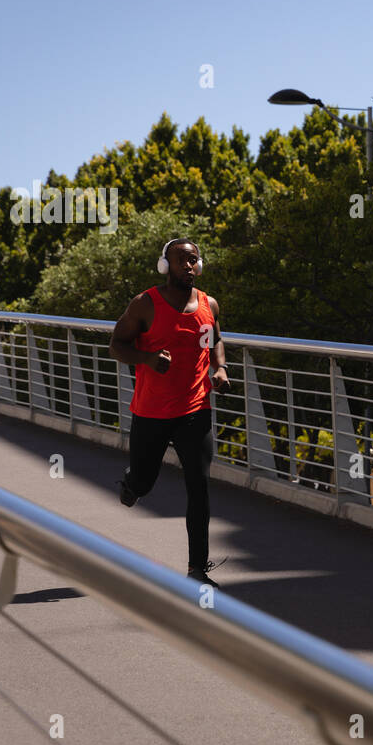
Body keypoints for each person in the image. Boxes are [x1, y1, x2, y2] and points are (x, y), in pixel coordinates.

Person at [109, 238, 232, 587]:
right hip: (151, 411)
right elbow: (116, 345)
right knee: (145, 483)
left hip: (195, 408)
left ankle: (197, 569)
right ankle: (133, 482)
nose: (188, 267)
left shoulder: (209, 304)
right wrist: (146, 358)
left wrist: (220, 369)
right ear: (166, 266)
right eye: (181, 261)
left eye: (193, 260)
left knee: (200, 486)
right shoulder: (145, 304)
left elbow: (216, 339)